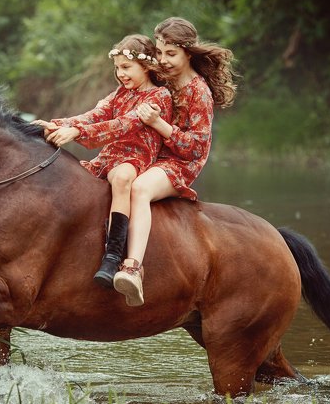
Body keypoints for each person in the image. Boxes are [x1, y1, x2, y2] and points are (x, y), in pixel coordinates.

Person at [110, 17, 237, 306]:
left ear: (188, 54)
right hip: (149, 153)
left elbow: (195, 148)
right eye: (160, 52)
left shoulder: (198, 91)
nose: (163, 60)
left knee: (140, 189)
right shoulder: (161, 80)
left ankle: (133, 268)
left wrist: (157, 124)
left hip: (179, 163)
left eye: (171, 54)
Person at [33, 34, 173, 289]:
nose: (121, 74)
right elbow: (94, 115)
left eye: (126, 67)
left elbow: (123, 125)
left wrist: (79, 133)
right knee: (67, 176)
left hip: (135, 157)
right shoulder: (119, 93)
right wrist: (57, 124)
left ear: (147, 66)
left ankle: (113, 254)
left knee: (122, 177)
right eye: (117, 68)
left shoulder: (158, 96)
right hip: (108, 156)